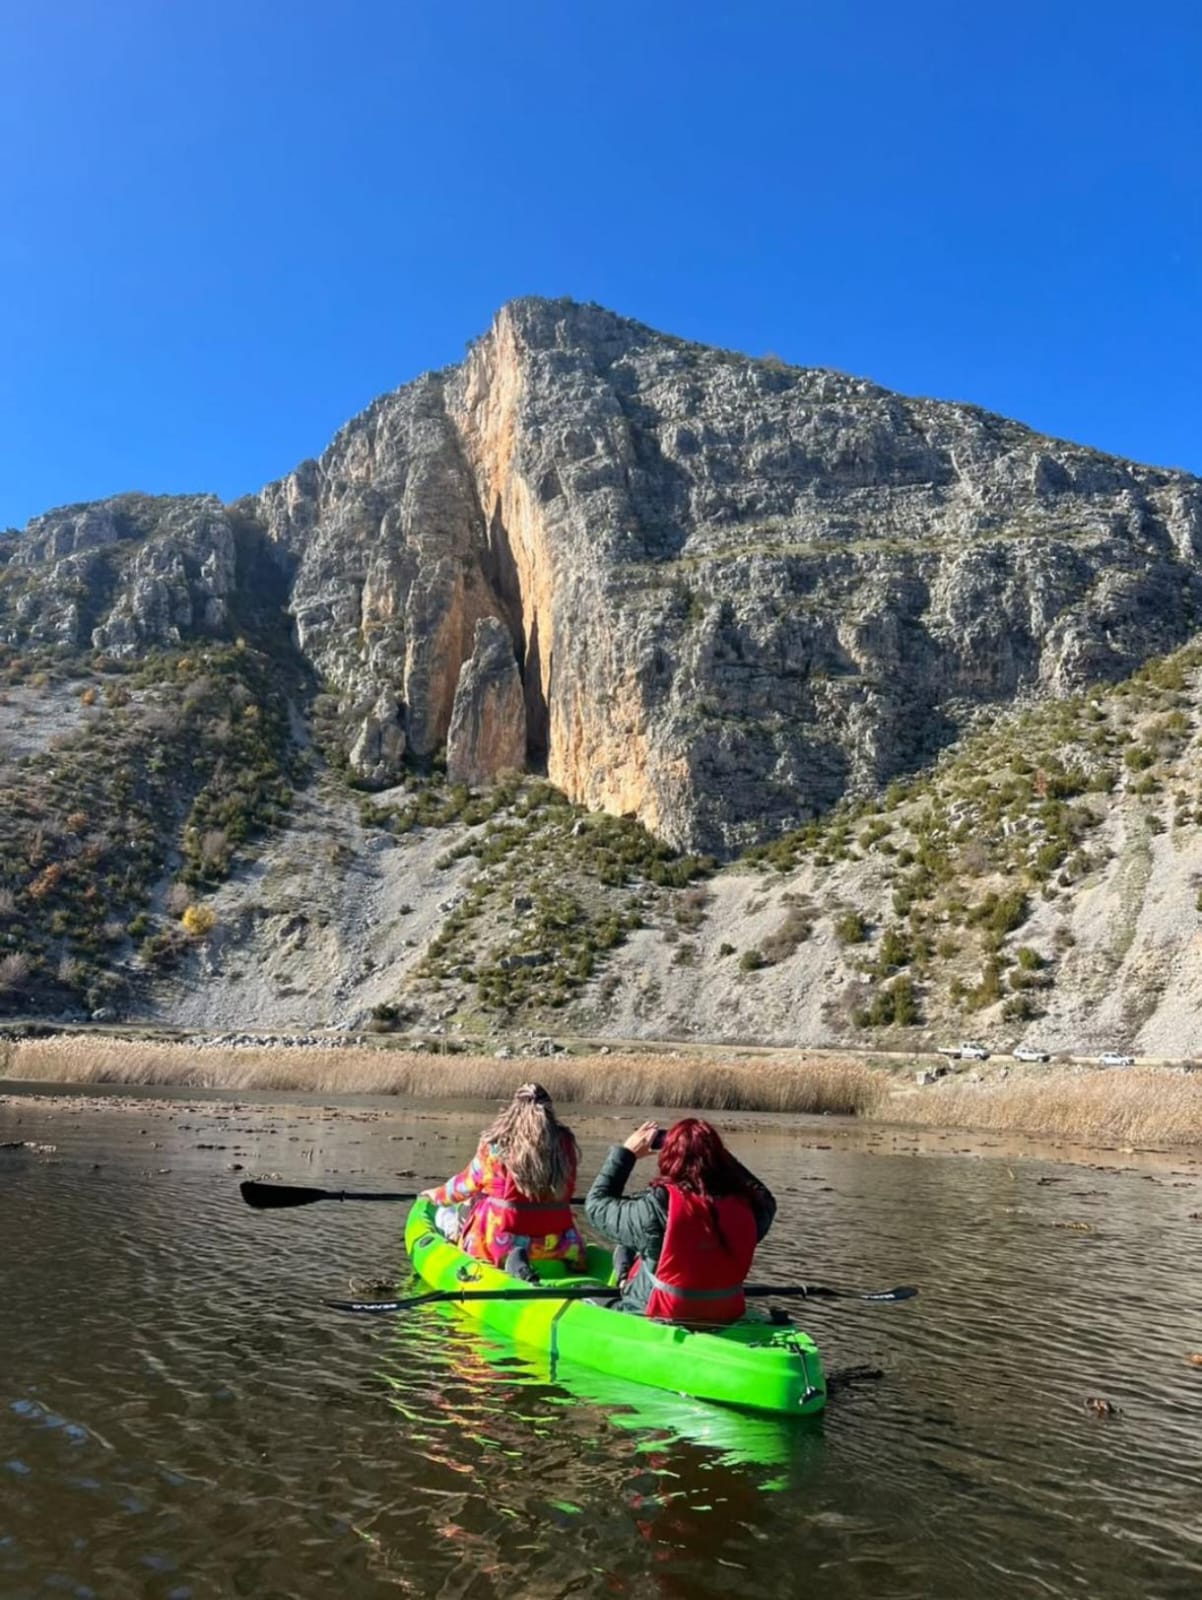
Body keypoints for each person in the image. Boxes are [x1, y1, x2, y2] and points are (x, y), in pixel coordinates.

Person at [585, 1117, 775, 1323]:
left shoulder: (658, 1205)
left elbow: (596, 1206)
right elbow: (764, 1196)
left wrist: (627, 1153)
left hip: (657, 1312)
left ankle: (622, 1285)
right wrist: (710, 1151)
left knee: (585, 1290)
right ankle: (624, 1281)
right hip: (725, 1314)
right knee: (629, 1246)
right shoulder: (750, 1208)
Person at [422, 1082, 584, 1279]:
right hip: (560, 1243)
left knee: (454, 1207)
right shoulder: (565, 1144)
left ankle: (452, 1236)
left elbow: (465, 1185)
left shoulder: (497, 1144)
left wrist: (436, 1195)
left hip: (499, 1245)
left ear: (514, 1108)